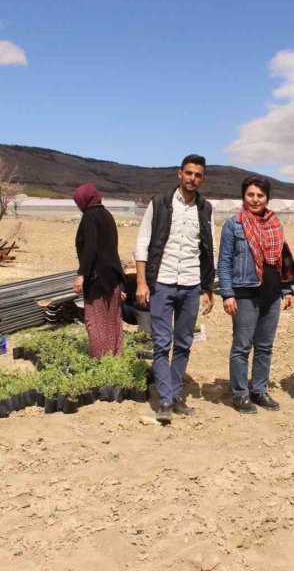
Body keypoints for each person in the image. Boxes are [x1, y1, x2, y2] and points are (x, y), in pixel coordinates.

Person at [134, 154, 215, 424]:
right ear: (179, 174)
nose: (193, 179)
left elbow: (207, 250)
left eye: (198, 175)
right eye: (189, 173)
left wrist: (207, 288)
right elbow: (143, 244)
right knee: (161, 343)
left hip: (191, 286)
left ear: (202, 178)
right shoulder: (159, 204)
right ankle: (165, 398)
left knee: (183, 343)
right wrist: (142, 282)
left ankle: (176, 394)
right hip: (163, 284)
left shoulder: (206, 209)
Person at [218, 176, 294, 414]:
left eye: (260, 195)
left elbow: (282, 259)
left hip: (271, 292)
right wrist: (227, 293)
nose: (255, 199)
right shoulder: (234, 224)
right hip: (244, 293)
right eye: (251, 195)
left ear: (267, 198)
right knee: (242, 346)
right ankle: (240, 393)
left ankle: (259, 390)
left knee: (265, 346)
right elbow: (224, 261)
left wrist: (287, 288)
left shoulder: (274, 223)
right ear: (244, 196)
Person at [73, 182, 127, 358]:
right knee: (112, 321)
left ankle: (99, 361)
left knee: (95, 322)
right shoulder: (106, 214)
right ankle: (115, 358)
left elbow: (91, 247)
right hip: (112, 278)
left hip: (98, 280)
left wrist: (81, 275)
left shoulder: (89, 217)